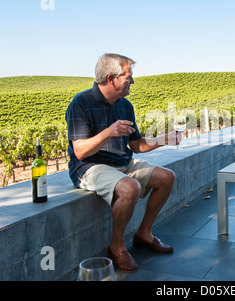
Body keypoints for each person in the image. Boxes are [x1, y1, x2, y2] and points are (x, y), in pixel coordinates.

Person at [65, 53, 180, 271]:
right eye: (129, 76)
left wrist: (164, 139)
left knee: (167, 177)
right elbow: (80, 152)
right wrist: (109, 132)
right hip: (89, 167)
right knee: (130, 188)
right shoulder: (80, 103)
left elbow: (136, 145)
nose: (133, 81)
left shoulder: (124, 105)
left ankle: (144, 233)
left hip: (122, 163)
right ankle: (117, 248)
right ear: (111, 79)